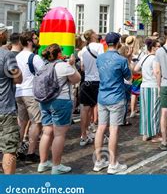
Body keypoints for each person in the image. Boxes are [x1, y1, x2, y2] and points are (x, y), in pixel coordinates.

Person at [37, 44, 81, 174]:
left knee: (46, 132)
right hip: (60, 101)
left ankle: (43, 163)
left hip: (44, 101)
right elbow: (77, 79)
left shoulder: (43, 66)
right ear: (58, 54)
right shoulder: (63, 66)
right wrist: (72, 64)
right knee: (59, 134)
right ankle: (56, 166)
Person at [94, 32, 131, 174]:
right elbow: (128, 77)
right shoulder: (121, 60)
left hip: (102, 96)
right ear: (118, 43)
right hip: (116, 97)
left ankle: (98, 161)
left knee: (101, 128)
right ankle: (113, 163)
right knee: (114, 129)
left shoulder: (100, 58)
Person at [15, 31, 44, 162]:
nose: (37, 39)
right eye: (35, 38)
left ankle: (19, 150)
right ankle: (31, 153)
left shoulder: (16, 56)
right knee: (36, 122)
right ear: (29, 42)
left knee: (22, 122)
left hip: (18, 92)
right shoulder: (34, 57)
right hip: (30, 93)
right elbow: (44, 75)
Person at [0, 24, 22, 174]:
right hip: (5, 108)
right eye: (5, 32)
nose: (7, 34)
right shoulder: (7, 55)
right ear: (1, 35)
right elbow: (18, 78)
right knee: (9, 148)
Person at [79, 30, 104, 147]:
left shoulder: (84, 49)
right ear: (92, 36)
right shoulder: (99, 46)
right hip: (97, 80)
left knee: (85, 109)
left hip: (86, 81)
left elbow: (82, 67)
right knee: (99, 106)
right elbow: (102, 62)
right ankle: (100, 134)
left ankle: (83, 135)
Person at [134, 38, 161, 142]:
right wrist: (159, 86)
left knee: (145, 111)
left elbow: (135, 69)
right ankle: (154, 134)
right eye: (158, 46)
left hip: (144, 86)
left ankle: (145, 134)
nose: (159, 48)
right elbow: (157, 72)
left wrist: (144, 74)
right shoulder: (155, 58)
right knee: (154, 110)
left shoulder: (144, 57)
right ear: (153, 48)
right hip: (153, 86)